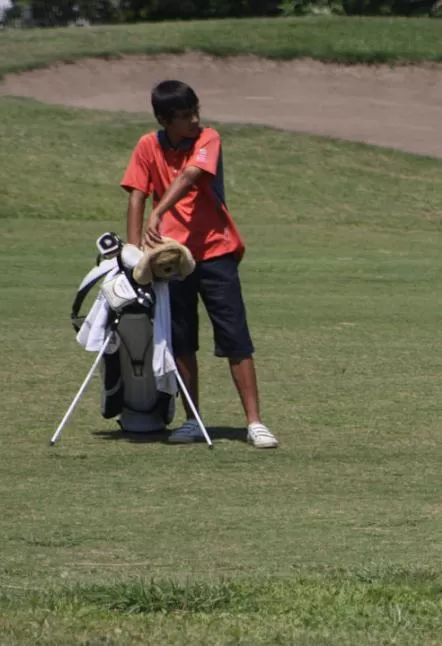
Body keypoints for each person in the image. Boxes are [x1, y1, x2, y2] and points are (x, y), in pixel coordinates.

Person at [120, 79, 279, 449]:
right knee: (181, 339)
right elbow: (136, 195)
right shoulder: (148, 145)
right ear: (163, 119)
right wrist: (132, 251)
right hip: (170, 260)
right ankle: (193, 420)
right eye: (183, 116)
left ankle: (254, 423)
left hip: (216, 252)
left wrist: (160, 210)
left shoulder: (209, 138)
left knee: (235, 337)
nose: (193, 120)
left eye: (195, 112)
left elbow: (191, 177)